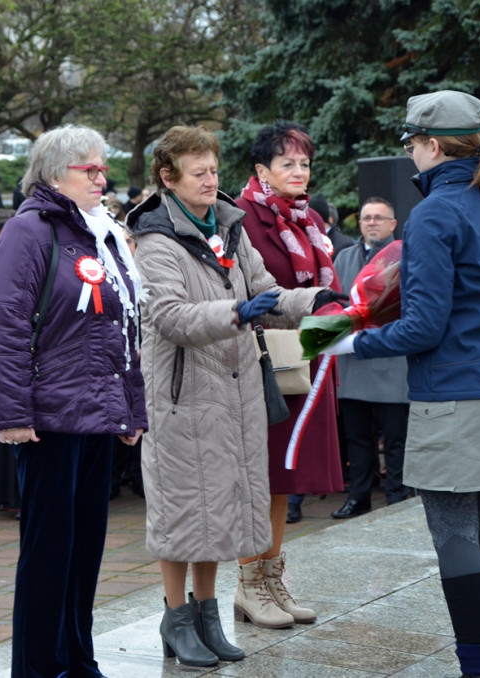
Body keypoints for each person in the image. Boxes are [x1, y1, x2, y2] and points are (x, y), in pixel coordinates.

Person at [330, 90, 480, 678]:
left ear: (433, 146)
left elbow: (423, 326)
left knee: (454, 535)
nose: (411, 153)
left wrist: (350, 341)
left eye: (413, 144)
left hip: (456, 390)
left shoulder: (436, 212)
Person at [129, 125, 335, 666]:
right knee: (181, 515)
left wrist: (315, 299)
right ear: (168, 178)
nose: (210, 180)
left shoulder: (229, 228)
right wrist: (235, 311)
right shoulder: (154, 239)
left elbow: (264, 293)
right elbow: (170, 316)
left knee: (218, 511)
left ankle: (208, 616)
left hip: (235, 391)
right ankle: (177, 620)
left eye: (214, 170)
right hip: (181, 398)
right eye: (198, 173)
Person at [0, 124, 146, 678]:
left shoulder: (98, 231)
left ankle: (77, 658)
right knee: (48, 556)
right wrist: (13, 415)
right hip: (49, 418)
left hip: (96, 416)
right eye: (90, 169)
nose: (103, 178)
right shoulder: (29, 231)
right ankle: (38, 667)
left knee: (84, 553)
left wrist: (130, 409)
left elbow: (123, 327)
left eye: (104, 169)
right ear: (56, 174)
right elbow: (2, 327)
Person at [233, 119, 345, 628]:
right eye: (287, 163)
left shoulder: (308, 221)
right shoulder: (245, 220)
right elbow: (249, 294)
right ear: (262, 170)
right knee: (255, 476)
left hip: (305, 357)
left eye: (304, 163)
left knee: (283, 477)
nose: (299, 171)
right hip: (265, 361)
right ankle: (248, 581)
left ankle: (274, 577)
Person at [331, 197, 410, 519]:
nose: (372, 222)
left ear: (393, 224)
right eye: (366, 218)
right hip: (353, 361)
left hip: (392, 360)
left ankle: (398, 495)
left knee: (396, 439)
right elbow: (334, 301)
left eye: (379, 217)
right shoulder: (344, 257)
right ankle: (359, 497)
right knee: (357, 439)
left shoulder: (406, 256)